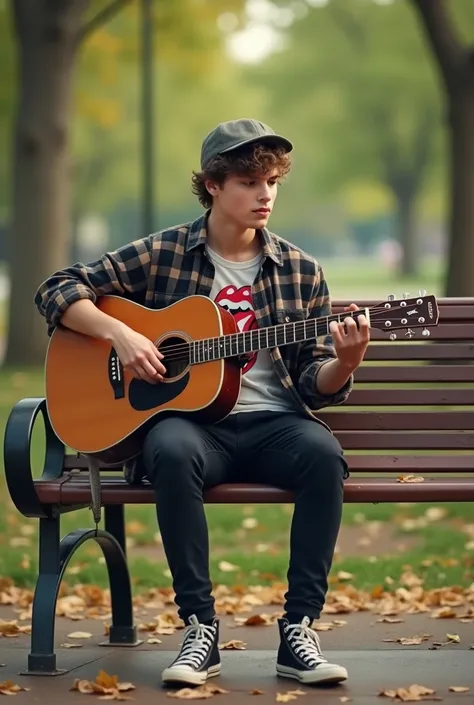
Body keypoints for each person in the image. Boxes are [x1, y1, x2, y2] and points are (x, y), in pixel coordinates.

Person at [35, 118, 370, 689]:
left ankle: (299, 630)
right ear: (214, 185)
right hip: (192, 429)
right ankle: (199, 626)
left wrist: (348, 361)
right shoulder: (163, 252)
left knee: (322, 454)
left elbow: (315, 380)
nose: (265, 194)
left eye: (273, 182)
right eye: (249, 181)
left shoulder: (300, 270)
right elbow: (57, 288)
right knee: (167, 446)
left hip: (275, 425)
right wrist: (121, 335)